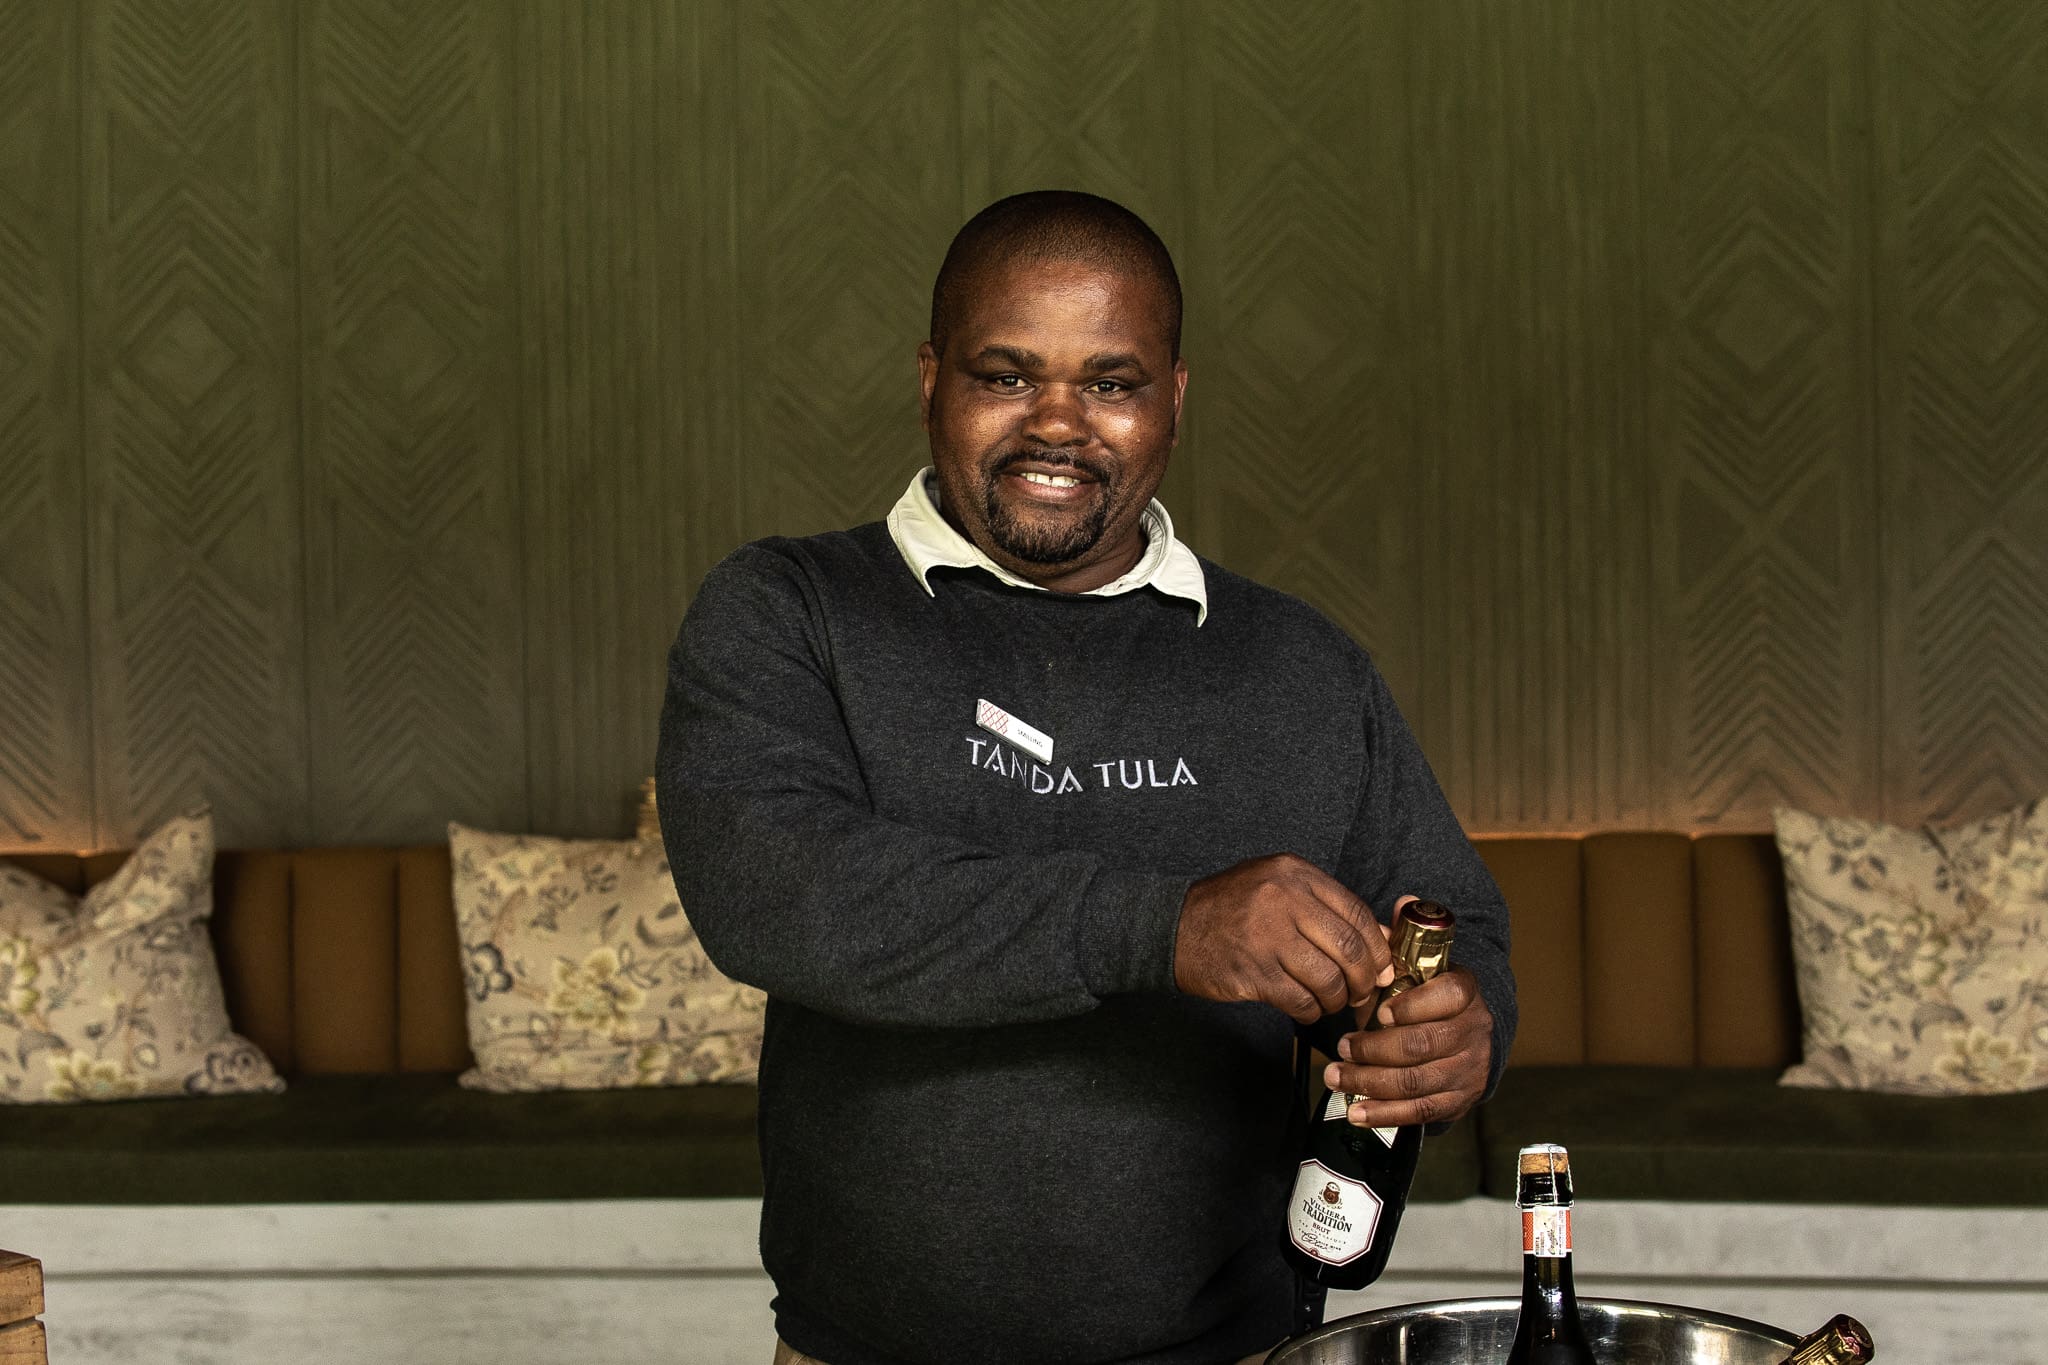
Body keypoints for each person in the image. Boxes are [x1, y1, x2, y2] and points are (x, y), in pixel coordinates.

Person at [657, 190, 1515, 1365]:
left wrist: (1459, 1031)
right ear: (929, 378)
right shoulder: (790, 611)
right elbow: (772, 892)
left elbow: (1452, 927)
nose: (1056, 425)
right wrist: (1163, 926)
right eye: (1005, 375)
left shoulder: (1299, 664)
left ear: (1173, 397)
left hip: (1238, 1348)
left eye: (1110, 384)